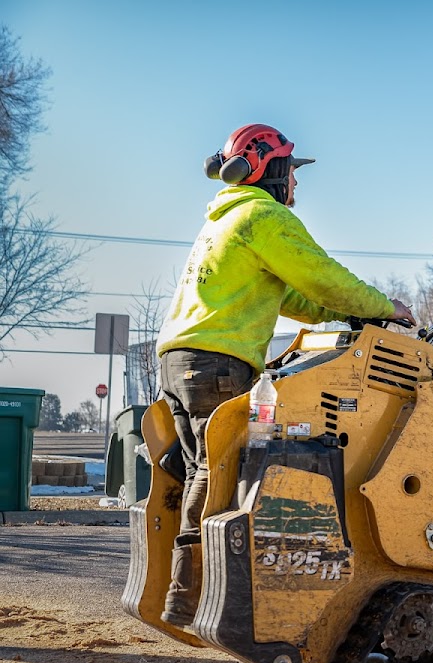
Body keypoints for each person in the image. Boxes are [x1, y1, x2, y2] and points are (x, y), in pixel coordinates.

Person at [155, 123, 415, 626]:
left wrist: (342, 314)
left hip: (179, 362)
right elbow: (323, 275)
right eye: (291, 170)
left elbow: (296, 296)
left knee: (199, 473)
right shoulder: (262, 216)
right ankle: (207, 604)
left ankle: (183, 599)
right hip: (217, 363)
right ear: (267, 168)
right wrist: (386, 307)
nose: (295, 181)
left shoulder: (224, 221)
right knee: (222, 476)